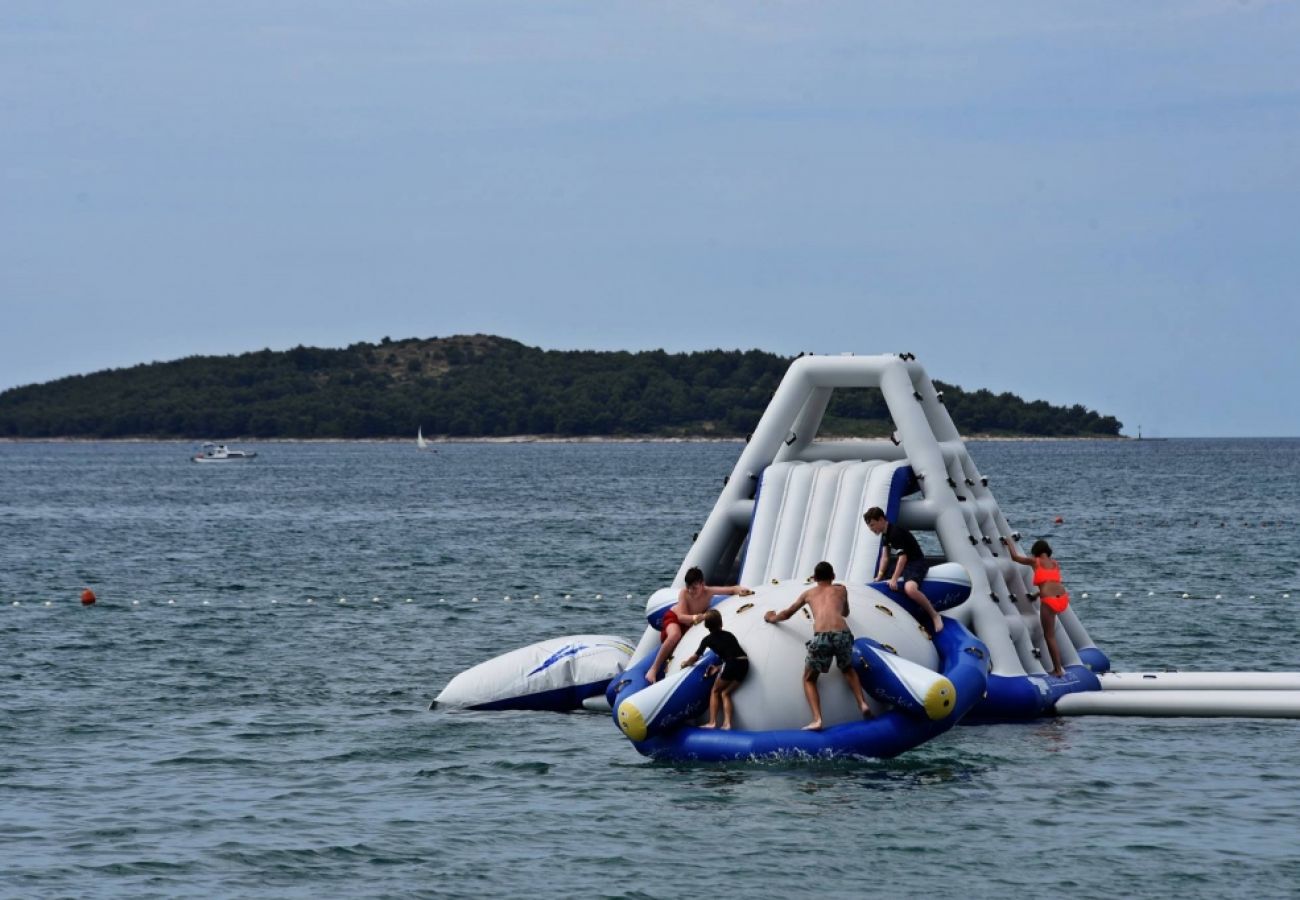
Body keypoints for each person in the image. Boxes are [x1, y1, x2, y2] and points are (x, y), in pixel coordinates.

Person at [764, 561, 872, 730]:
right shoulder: (841, 589)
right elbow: (846, 612)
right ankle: (863, 704)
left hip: (822, 636)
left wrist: (771, 617)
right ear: (833, 576)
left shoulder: (808, 594)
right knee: (847, 669)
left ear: (814, 578)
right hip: (842, 632)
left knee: (809, 679)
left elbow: (787, 614)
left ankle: (817, 719)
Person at [646, 567, 753, 684]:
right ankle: (653, 669)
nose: (691, 591)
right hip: (674, 619)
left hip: (690, 623)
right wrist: (696, 617)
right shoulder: (684, 593)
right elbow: (681, 617)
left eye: (694, 588)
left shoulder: (709, 591)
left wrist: (743, 591)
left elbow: (731, 589)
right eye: (689, 587)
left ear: (702, 584)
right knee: (675, 635)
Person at [863, 506, 943, 633]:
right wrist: (879, 576)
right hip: (905, 563)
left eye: (872, 525)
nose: (871, 529)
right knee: (882, 579)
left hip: (915, 562)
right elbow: (885, 557)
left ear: (881, 519)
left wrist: (894, 579)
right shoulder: (885, 534)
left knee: (909, 589)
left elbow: (903, 558)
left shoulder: (895, 533)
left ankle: (934, 615)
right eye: (869, 526)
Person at [1004, 537, 1069, 677]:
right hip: (1062, 598)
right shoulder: (1055, 563)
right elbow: (1051, 582)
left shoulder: (1036, 561)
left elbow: (1015, 558)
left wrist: (1009, 542)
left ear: (1036, 552)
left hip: (1049, 600)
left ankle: (1057, 670)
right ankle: (1059, 667)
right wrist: (1036, 595)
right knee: (1051, 635)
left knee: (1049, 636)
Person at [679, 609, 749, 730]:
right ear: (721, 623)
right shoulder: (729, 635)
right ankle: (727, 724)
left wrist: (685, 663)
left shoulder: (707, 640)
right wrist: (720, 667)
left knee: (715, 691)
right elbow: (733, 654)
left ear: (706, 626)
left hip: (731, 664)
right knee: (725, 693)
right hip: (744, 663)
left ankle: (712, 722)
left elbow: (695, 657)